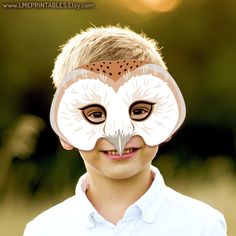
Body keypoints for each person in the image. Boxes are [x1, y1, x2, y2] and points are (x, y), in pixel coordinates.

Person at [23, 26, 227, 236]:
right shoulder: (44, 230)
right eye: (95, 114)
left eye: (139, 111)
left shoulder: (203, 225)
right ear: (63, 129)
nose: (120, 134)